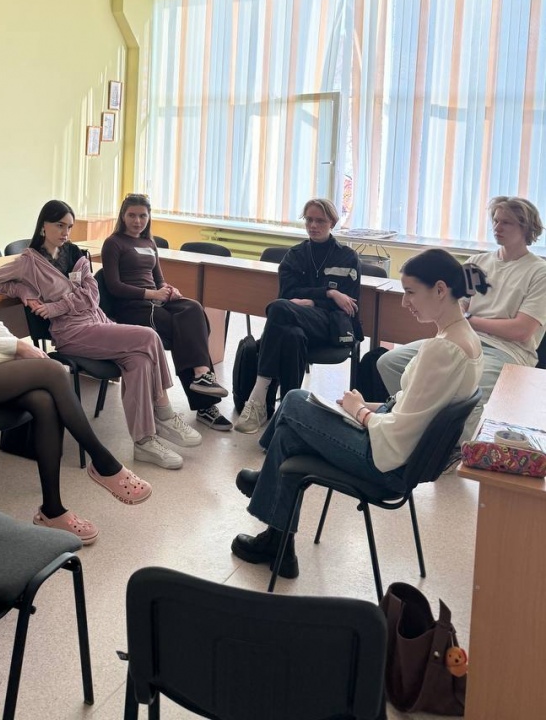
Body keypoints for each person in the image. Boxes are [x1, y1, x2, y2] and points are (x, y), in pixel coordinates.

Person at [0, 205, 152, 545]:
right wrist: (17, 347)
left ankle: (52, 510)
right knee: (53, 370)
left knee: (43, 401)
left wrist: (12, 347)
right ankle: (103, 462)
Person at [231, 248, 486, 574]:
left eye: (410, 292)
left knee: (294, 401)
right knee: (289, 436)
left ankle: (265, 491)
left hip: (387, 462)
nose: (405, 302)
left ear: (439, 289)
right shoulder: (464, 339)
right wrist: (367, 405)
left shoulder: (443, 348)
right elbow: (417, 407)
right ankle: (279, 545)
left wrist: (361, 412)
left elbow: (400, 431)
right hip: (401, 452)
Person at [0, 200, 203, 471]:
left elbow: (92, 295)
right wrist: (24, 292)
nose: (65, 232)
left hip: (98, 322)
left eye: (69, 227)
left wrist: (54, 306)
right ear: (43, 226)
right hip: (71, 332)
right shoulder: (28, 262)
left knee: (140, 361)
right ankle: (164, 412)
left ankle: (144, 442)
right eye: (59, 226)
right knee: (148, 337)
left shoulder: (75, 253)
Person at [377, 197, 546, 432]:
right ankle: (417, 427)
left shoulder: (539, 272)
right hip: (463, 339)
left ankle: (452, 445)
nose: (497, 227)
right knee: (390, 362)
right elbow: (456, 306)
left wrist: (471, 320)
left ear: (526, 228)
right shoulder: (477, 263)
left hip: (507, 351)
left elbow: (521, 330)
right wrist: (467, 321)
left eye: (506, 223)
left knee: (466, 393)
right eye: (495, 221)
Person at [100, 194, 232, 432]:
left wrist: (169, 289)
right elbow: (114, 287)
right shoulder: (114, 243)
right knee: (185, 331)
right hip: (132, 306)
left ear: (149, 217)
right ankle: (206, 406)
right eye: (132, 215)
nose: (137, 221)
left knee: (193, 309)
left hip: (155, 300)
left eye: (142, 215)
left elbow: (158, 279)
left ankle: (202, 375)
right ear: (123, 216)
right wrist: (152, 294)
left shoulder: (149, 243)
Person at [235, 198, 361, 434]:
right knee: (291, 333)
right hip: (297, 321)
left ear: (332, 222)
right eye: (309, 220)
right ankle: (288, 416)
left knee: (278, 309)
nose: (313, 225)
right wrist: (329, 293)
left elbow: (348, 306)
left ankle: (258, 396)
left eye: (320, 221)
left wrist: (313, 300)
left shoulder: (347, 257)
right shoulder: (294, 255)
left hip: (330, 325)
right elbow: (287, 295)